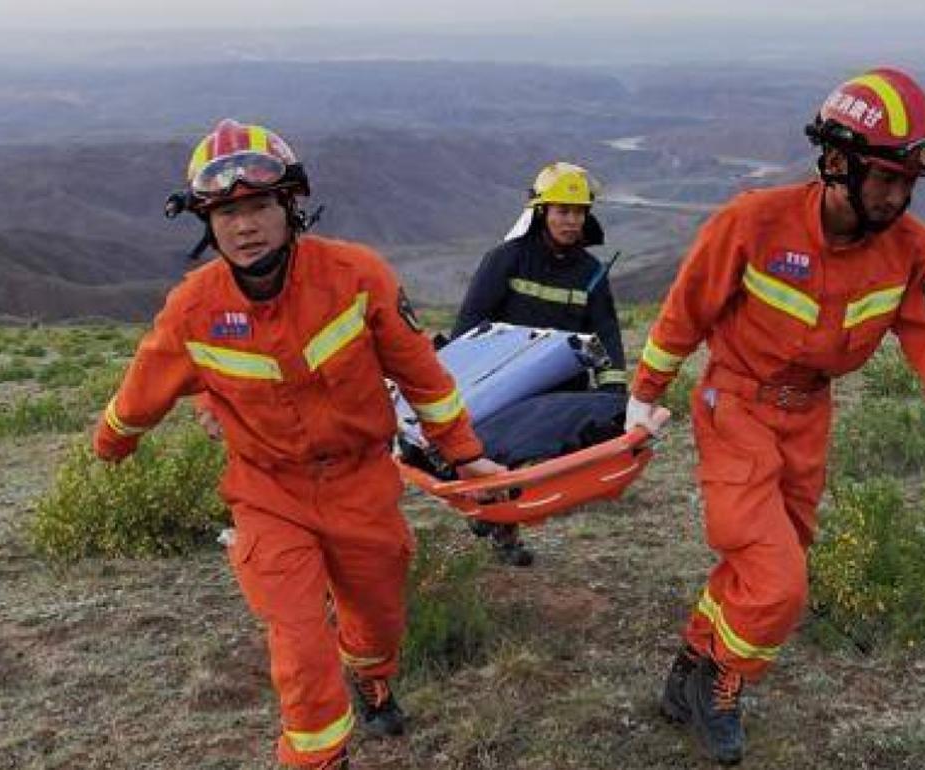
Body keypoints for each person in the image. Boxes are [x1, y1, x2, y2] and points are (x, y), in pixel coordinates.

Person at [92, 118, 502, 770]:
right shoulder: (192, 310)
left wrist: (464, 451)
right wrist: (110, 445)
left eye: (257, 206)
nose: (244, 226)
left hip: (361, 482)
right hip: (267, 492)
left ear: (290, 205)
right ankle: (317, 757)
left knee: (378, 616)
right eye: (225, 213)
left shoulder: (356, 275)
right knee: (300, 637)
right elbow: (144, 388)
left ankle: (372, 677)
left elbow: (421, 373)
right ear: (207, 223)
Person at [623, 68, 925, 765]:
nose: (899, 196)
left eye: (907, 183)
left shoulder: (911, 247)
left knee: (764, 566)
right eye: (885, 178)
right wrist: (645, 395)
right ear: (836, 162)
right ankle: (723, 683)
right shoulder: (753, 222)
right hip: (733, 406)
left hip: (809, 419)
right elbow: (687, 310)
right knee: (777, 583)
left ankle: (687, 667)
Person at [451, 161, 628, 567]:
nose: (571, 221)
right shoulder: (506, 260)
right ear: (541, 212)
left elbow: (607, 333)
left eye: (579, 212)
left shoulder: (591, 273)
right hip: (505, 382)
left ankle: (499, 518)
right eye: (563, 211)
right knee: (498, 455)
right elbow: (469, 326)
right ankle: (499, 526)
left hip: (559, 386)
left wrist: (613, 394)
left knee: (530, 459)